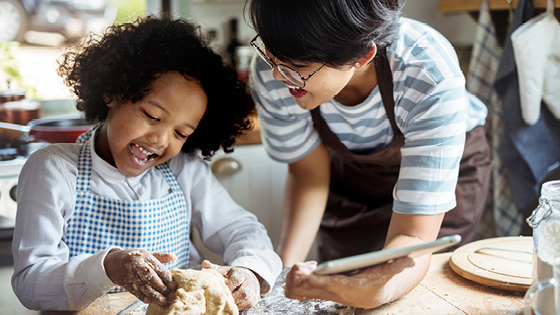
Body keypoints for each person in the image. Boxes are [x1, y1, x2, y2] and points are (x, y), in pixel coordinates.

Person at [11, 16, 282, 312]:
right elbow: (30, 281)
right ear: (112, 92)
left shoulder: (183, 170)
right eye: (153, 116)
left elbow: (243, 230)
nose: (160, 139)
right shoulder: (53, 169)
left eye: (181, 132)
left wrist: (250, 272)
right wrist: (109, 267)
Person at [248, 0, 491, 309]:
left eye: (298, 71)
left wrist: (374, 290)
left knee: (413, 295)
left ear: (363, 56)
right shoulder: (276, 72)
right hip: (351, 170)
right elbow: (309, 173)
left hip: (441, 177)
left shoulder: (427, 70)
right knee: (341, 285)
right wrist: (283, 273)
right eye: (271, 58)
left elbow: (415, 238)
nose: (279, 77)